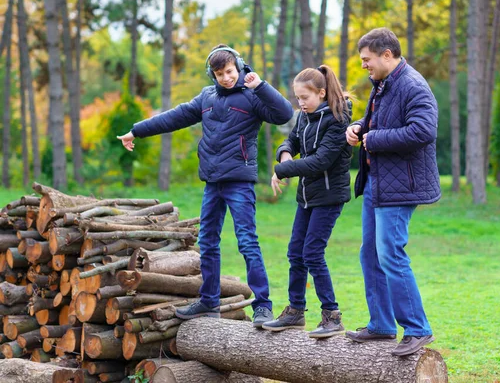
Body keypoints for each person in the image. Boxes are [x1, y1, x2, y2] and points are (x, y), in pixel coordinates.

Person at [117, 44, 293, 328]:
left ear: (239, 66)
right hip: (212, 181)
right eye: (220, 73)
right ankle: (209, 302)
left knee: (247, 242)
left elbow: (284, 113)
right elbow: (173, 117)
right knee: (207, 242)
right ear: (212, 74)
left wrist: (261, 85)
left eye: (230, 71)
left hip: (239, 181)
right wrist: (136, 130)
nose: (226, 78)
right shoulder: (207, 97)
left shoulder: (252, 95)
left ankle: (263, 306)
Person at [344, 28, 441, 356]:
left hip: (402, 186)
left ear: (387, 54)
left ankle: (417, 328)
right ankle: (382, 324)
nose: (363, 66)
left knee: (390, 253)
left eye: (366, 60)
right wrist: (359, 126)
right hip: (378, 183)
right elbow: (379, 121)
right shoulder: (383, 85)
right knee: (369, 252)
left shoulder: (413, 85)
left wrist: (374, 138)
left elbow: (423, 130)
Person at [262, 65, 352, 339]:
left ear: (321, 93)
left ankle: (332, 316)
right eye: (297, 98)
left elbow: (321, 161)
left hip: (329, 197)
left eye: (305, 97)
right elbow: (289, 141)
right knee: (295, 252)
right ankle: (295, 312)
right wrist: (284, 155)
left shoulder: (338, 119)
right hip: (307, 197)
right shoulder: (305, 116)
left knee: (312, 253)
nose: (300, 103)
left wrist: (283, 170)